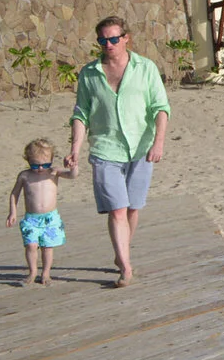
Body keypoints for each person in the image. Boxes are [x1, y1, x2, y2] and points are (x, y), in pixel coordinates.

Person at [67, 16, 170, 288]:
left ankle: (120, 250)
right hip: (105, 148)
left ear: (126, 38)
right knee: (117, 210)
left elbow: (160, 108)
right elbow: (81, 113)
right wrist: (75, 149)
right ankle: (125, 266)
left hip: (141, 147)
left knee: (133, 209)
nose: (109, 44)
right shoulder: (89, 74)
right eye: (103, 40)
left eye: (114, 39)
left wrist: (159, 143)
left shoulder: (145, 68)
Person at [7, 138, 74, 286]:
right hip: (31, 219)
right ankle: (32, 272)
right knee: (30, 245)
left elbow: (72, 175)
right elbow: (14, 194)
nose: (40, 168)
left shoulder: (53, 172)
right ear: (28, 160)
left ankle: (46, 273)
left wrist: (73, 166)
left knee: (47, 247)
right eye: (35, 164)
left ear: (51, 160)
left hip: (50, 218)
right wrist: (12, 212)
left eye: (45, 164)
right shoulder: (25, 175)